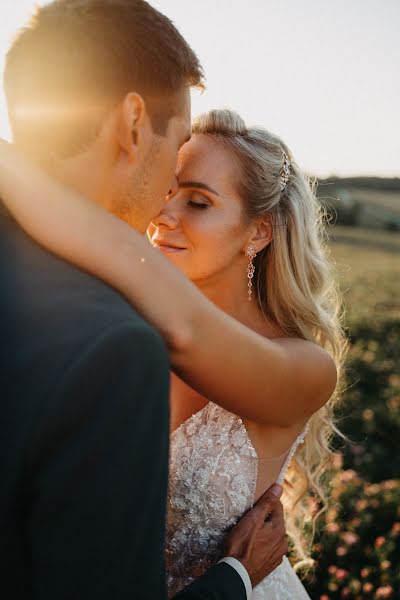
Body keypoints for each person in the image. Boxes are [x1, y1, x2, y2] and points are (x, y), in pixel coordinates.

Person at [0, 2, 289, 600]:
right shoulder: (112, 347)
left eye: (199, 200)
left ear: (259, 231)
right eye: (175, 146)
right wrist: (234, 580)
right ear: (133, 124)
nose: (165, 203)